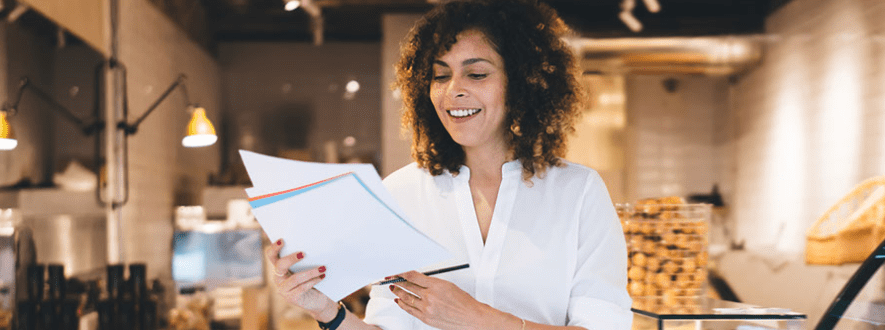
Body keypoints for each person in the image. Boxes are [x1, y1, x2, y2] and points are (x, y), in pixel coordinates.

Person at [264, 0, 632, 329]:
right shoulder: (402, 192)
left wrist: (481, 320)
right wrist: (327, 310)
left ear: (521, 83)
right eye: (440, 75)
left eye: (476, 73)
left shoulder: (579, 192)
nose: (453, 89)